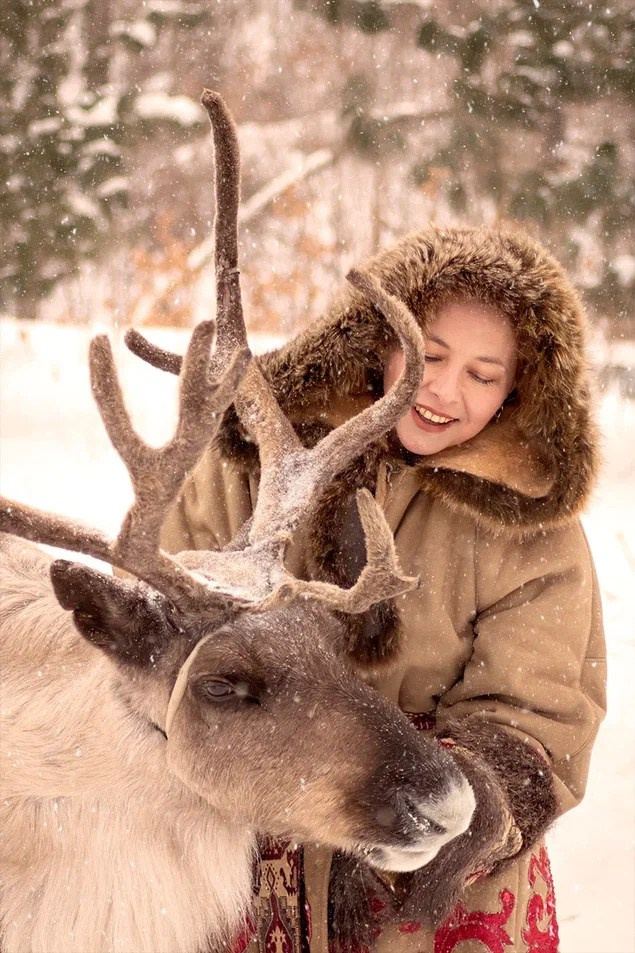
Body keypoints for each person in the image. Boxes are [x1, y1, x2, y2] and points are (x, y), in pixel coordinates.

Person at [161, 225, 606, 953]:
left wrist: (456, 803)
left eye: (482, 374)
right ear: (375, 338)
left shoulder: (532, 529)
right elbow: (173, 615)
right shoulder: (256, 460)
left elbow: (540, 708)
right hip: (247, 829)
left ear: (517, 388)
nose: (442, 389)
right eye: (428, 355)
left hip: (437, 853)